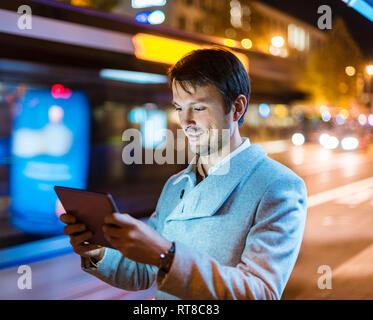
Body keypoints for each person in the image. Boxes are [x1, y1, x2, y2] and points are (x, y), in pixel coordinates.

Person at [60, 48, 307, 300]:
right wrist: (98, 251)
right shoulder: (176, 184)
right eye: (179, 108)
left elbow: (259, 293)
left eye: (198, 108)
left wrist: (166, 255)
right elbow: (144, 271)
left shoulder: (278, 186)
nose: (185, 121)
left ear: (237, 108)